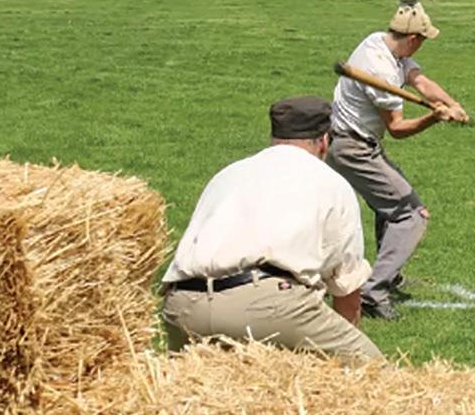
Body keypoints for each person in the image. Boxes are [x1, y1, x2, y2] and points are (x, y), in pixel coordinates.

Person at [160, 96, 382, 365]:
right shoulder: (331, 183)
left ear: (275, 138)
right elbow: (346, 285)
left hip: (183, 307)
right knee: (377, 373)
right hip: (266, 305)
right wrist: (347, 348)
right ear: (324, 140)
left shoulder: (227, 174)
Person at [327, 6, 468, 321]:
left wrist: (451, 103)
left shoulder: (380, 42)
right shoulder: (380, 70)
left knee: (390, 205)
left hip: (358, 144)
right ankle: (372, 293)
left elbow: (420, 81)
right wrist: (434, 117)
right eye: (424, 40)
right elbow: (398, 128)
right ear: (414, 39)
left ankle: (388, 276)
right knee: (411, 215)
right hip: (353, 149)